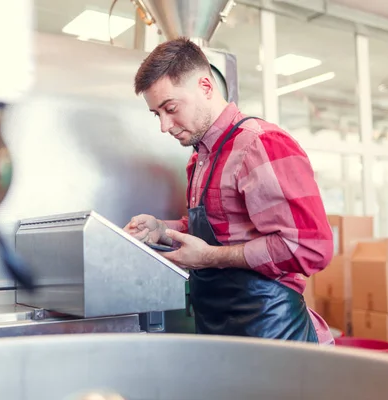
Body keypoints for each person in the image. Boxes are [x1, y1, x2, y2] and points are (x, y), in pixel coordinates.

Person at [124, 37, 334, 344]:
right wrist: (161, 230)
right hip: (221, 333)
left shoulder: (261, 144)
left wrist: (209, 257)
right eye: (157, 114)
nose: (164, 126)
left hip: (273, 334)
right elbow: (223, 228)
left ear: (206, 87)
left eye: (171, 108)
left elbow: (310, 247)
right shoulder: (200, 158)